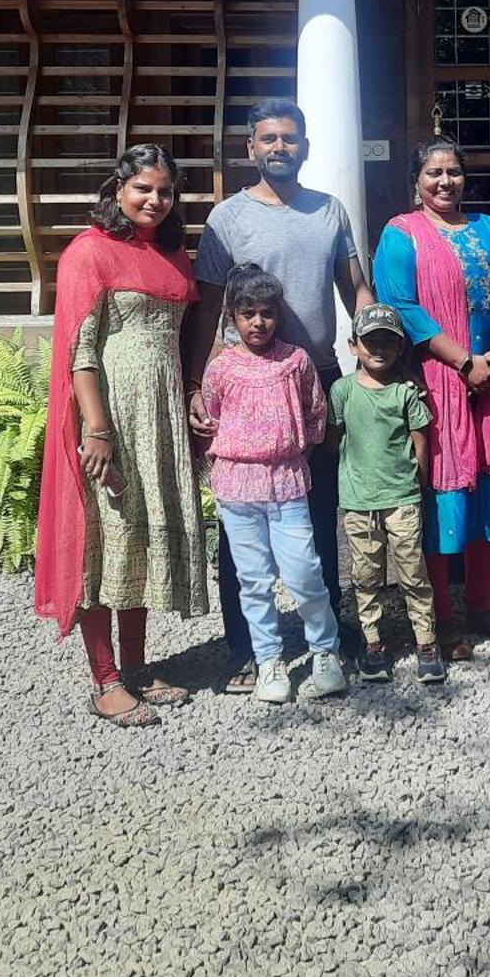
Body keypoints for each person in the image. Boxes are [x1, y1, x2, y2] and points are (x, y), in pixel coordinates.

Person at [190, 98, 372, 690]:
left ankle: (329, 632)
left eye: (289, 139)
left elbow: (356, 290)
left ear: (305, 147)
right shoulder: (228, 219)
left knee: (318, 510)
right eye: (267, 139)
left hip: (312, 376)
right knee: (240, 518)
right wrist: (198, 382)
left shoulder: (329, 211)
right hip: (242, 384)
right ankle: (247, 645)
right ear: (251, 148)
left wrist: (373, 353)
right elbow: (207, 308)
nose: (279, 148)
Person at [34, 145, 210, 728]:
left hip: (159, 419)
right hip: (113, 417)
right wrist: (98, 428)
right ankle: (104, 678)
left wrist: (189, 393)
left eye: (165, 192)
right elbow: (81, 352)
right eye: (143, 189)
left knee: (137, 539)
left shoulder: (172, 253)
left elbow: (181, 341)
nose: (155, 201)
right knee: (103, 541)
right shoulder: (89, 251)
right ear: (117, 191)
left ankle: (136, 668)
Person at [371, 136, 490, 659]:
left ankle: (482, 608)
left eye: (454, 172)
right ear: (416, 182)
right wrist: (463, 361)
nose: (445, 182)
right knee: (443, 495)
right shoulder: (400, 234)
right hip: (439, 379)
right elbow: (402, 308)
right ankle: (441, 618)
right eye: (434, 173)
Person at [200, 263, 348, 706]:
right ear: (232, 317)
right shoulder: (221, 369)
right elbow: (213, 416)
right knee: (254, 579)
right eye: (248, 314)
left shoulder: (296, 362)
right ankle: (268, 661)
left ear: (278, 315)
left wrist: (294, 442)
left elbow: (316, 413)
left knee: (305, 571)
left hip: (287, 479)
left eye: (266, 312)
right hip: (238, 484)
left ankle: (325, 651)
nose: (258, 322)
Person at [328, 303, 443, 685]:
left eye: (388, 342)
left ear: (400, 348)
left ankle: (426, 641)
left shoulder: (405, 393)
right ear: (353, 345)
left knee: (413, 572)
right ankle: (373, 642)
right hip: (359, 501)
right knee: (365, 575)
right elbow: (335, 439)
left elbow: (419, 440)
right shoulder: (342, 391)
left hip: (402, 498)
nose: (379, 348)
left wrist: (419, 486)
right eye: (370, 340)